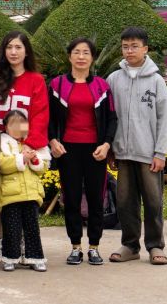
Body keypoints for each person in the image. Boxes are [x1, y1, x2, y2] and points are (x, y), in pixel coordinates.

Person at [48, 38, 118, 266]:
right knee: (72, 199)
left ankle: (95, 247)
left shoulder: (101, 86)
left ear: (92, 57)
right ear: (69, 57)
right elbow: (48, 118)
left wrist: (106, 144)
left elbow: (111, 119)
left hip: (95, 150)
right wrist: (52, 140)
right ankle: (75, 246)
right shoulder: (57, 85)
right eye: (76, 52)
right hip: (67, 150)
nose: (81, 56)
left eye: (85, 52)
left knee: (97, 199)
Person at [107, 27, 167, 266]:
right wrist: (111, 148)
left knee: (153, 202)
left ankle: (155, 246)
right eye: (125, 46)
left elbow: (164, 120)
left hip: (149, 154)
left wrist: (160, 152)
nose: (129, 51)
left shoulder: (156, 81)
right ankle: (130, 245)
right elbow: (110, 117)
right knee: (125, 201)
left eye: (134, 46)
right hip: (123, 153)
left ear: (145, 48)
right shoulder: (114, 79)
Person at [0, 30, 47, 264]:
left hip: (25, 149)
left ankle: (23, 245)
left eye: (18, 47)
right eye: (9, 47)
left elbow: (40, 115)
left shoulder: (36, 80)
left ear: (26, 51)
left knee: (21, 198)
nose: (13, 52)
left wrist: (28, 148)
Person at [0, 110, 49, 272]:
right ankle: (10, 258)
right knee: (11, 228)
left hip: (31, 193)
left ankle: (35, 257)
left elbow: (43, 167)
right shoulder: (1, 142)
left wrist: (33, 159)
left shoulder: (33, 142)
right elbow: (2, 164)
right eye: (13, 123)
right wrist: (21, 159)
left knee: (32, 227)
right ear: (5, 127)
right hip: (10, 194)